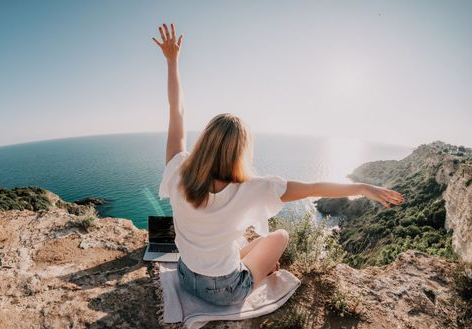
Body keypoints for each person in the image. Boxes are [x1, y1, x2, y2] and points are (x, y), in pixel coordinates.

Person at [152, 23, 405, 306]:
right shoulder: (253, 188)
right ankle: (257, 274)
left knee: (251, 245)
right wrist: (360, 186)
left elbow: (177, 111)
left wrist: (172, 61)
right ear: (240, 152)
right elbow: (312, 188)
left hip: (186, 276)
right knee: (279, 236)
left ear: (205, 142)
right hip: (224, 293)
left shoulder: (179, 170)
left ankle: (249, 266)